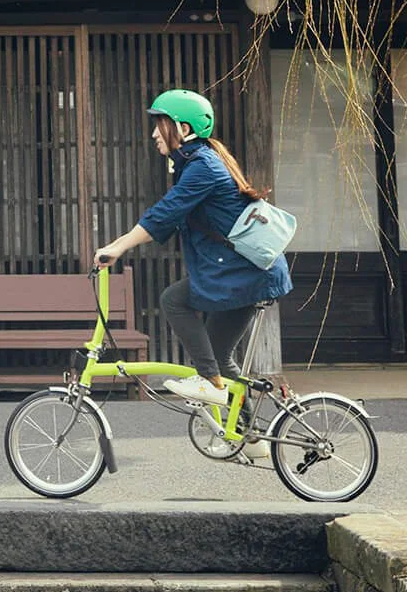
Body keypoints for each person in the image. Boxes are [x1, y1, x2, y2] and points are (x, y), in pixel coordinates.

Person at [93, 87, 291, 408]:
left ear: (184, 129)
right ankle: (250, 438)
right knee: (217, 357)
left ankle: (210, 383)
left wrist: (118, 248)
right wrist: (116, 245)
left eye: (161, 124)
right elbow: (170, 218)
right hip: (244, 270)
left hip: (248, 272)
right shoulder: (194, 162)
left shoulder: (203, 166)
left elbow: (165, 213)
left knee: (173, 301)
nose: (155, 133)